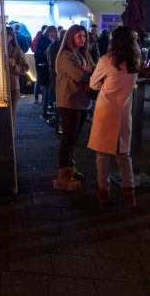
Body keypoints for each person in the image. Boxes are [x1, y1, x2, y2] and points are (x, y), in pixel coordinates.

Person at [87, 26, 140, 210]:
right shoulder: (135, 61)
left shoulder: (106, 60)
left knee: (102, 154)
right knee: (123, 154)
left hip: (106, 111)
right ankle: (129, 193)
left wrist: (104, 82)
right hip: (124, 111)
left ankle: (103, 190)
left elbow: (93, 84)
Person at [54, 25, 93, 191]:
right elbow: (79, 75)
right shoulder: (65, 55)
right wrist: (90, 72)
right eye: (79, 36)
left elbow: (87, 72)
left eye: (84, 36)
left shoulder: (80, 54)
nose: (83, 39)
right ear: (71, 37)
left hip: (81, 101)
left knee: (73, 139)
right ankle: (63, 175)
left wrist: (89, 71)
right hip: (69, 101)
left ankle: (69, 168)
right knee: (68, 138)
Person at [6, 26, 29, 125]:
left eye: (7, 35)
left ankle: (11, 134)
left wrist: (15, 65)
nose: (4, 37)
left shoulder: (17, 50)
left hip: (12, 86)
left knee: (11, 115)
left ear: (11, 37)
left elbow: (25, 68)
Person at [47, 28, 66, 133]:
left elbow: (50, 61)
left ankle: (59, 125)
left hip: (55, 76)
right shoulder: (62, 47)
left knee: (58, 100)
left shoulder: (53, 45)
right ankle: (60, 125)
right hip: (60, 77)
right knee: (61, 101)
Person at [13, 23, 30, 96]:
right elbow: (26, 48)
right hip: (20, 57)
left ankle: (15, 91)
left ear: (14, 28)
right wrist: (22, 52)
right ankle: (21, 91)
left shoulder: (13, 37)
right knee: (21, 74)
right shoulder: (23, 37)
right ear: (19, 28)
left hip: (12, 57)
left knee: (14, 74)